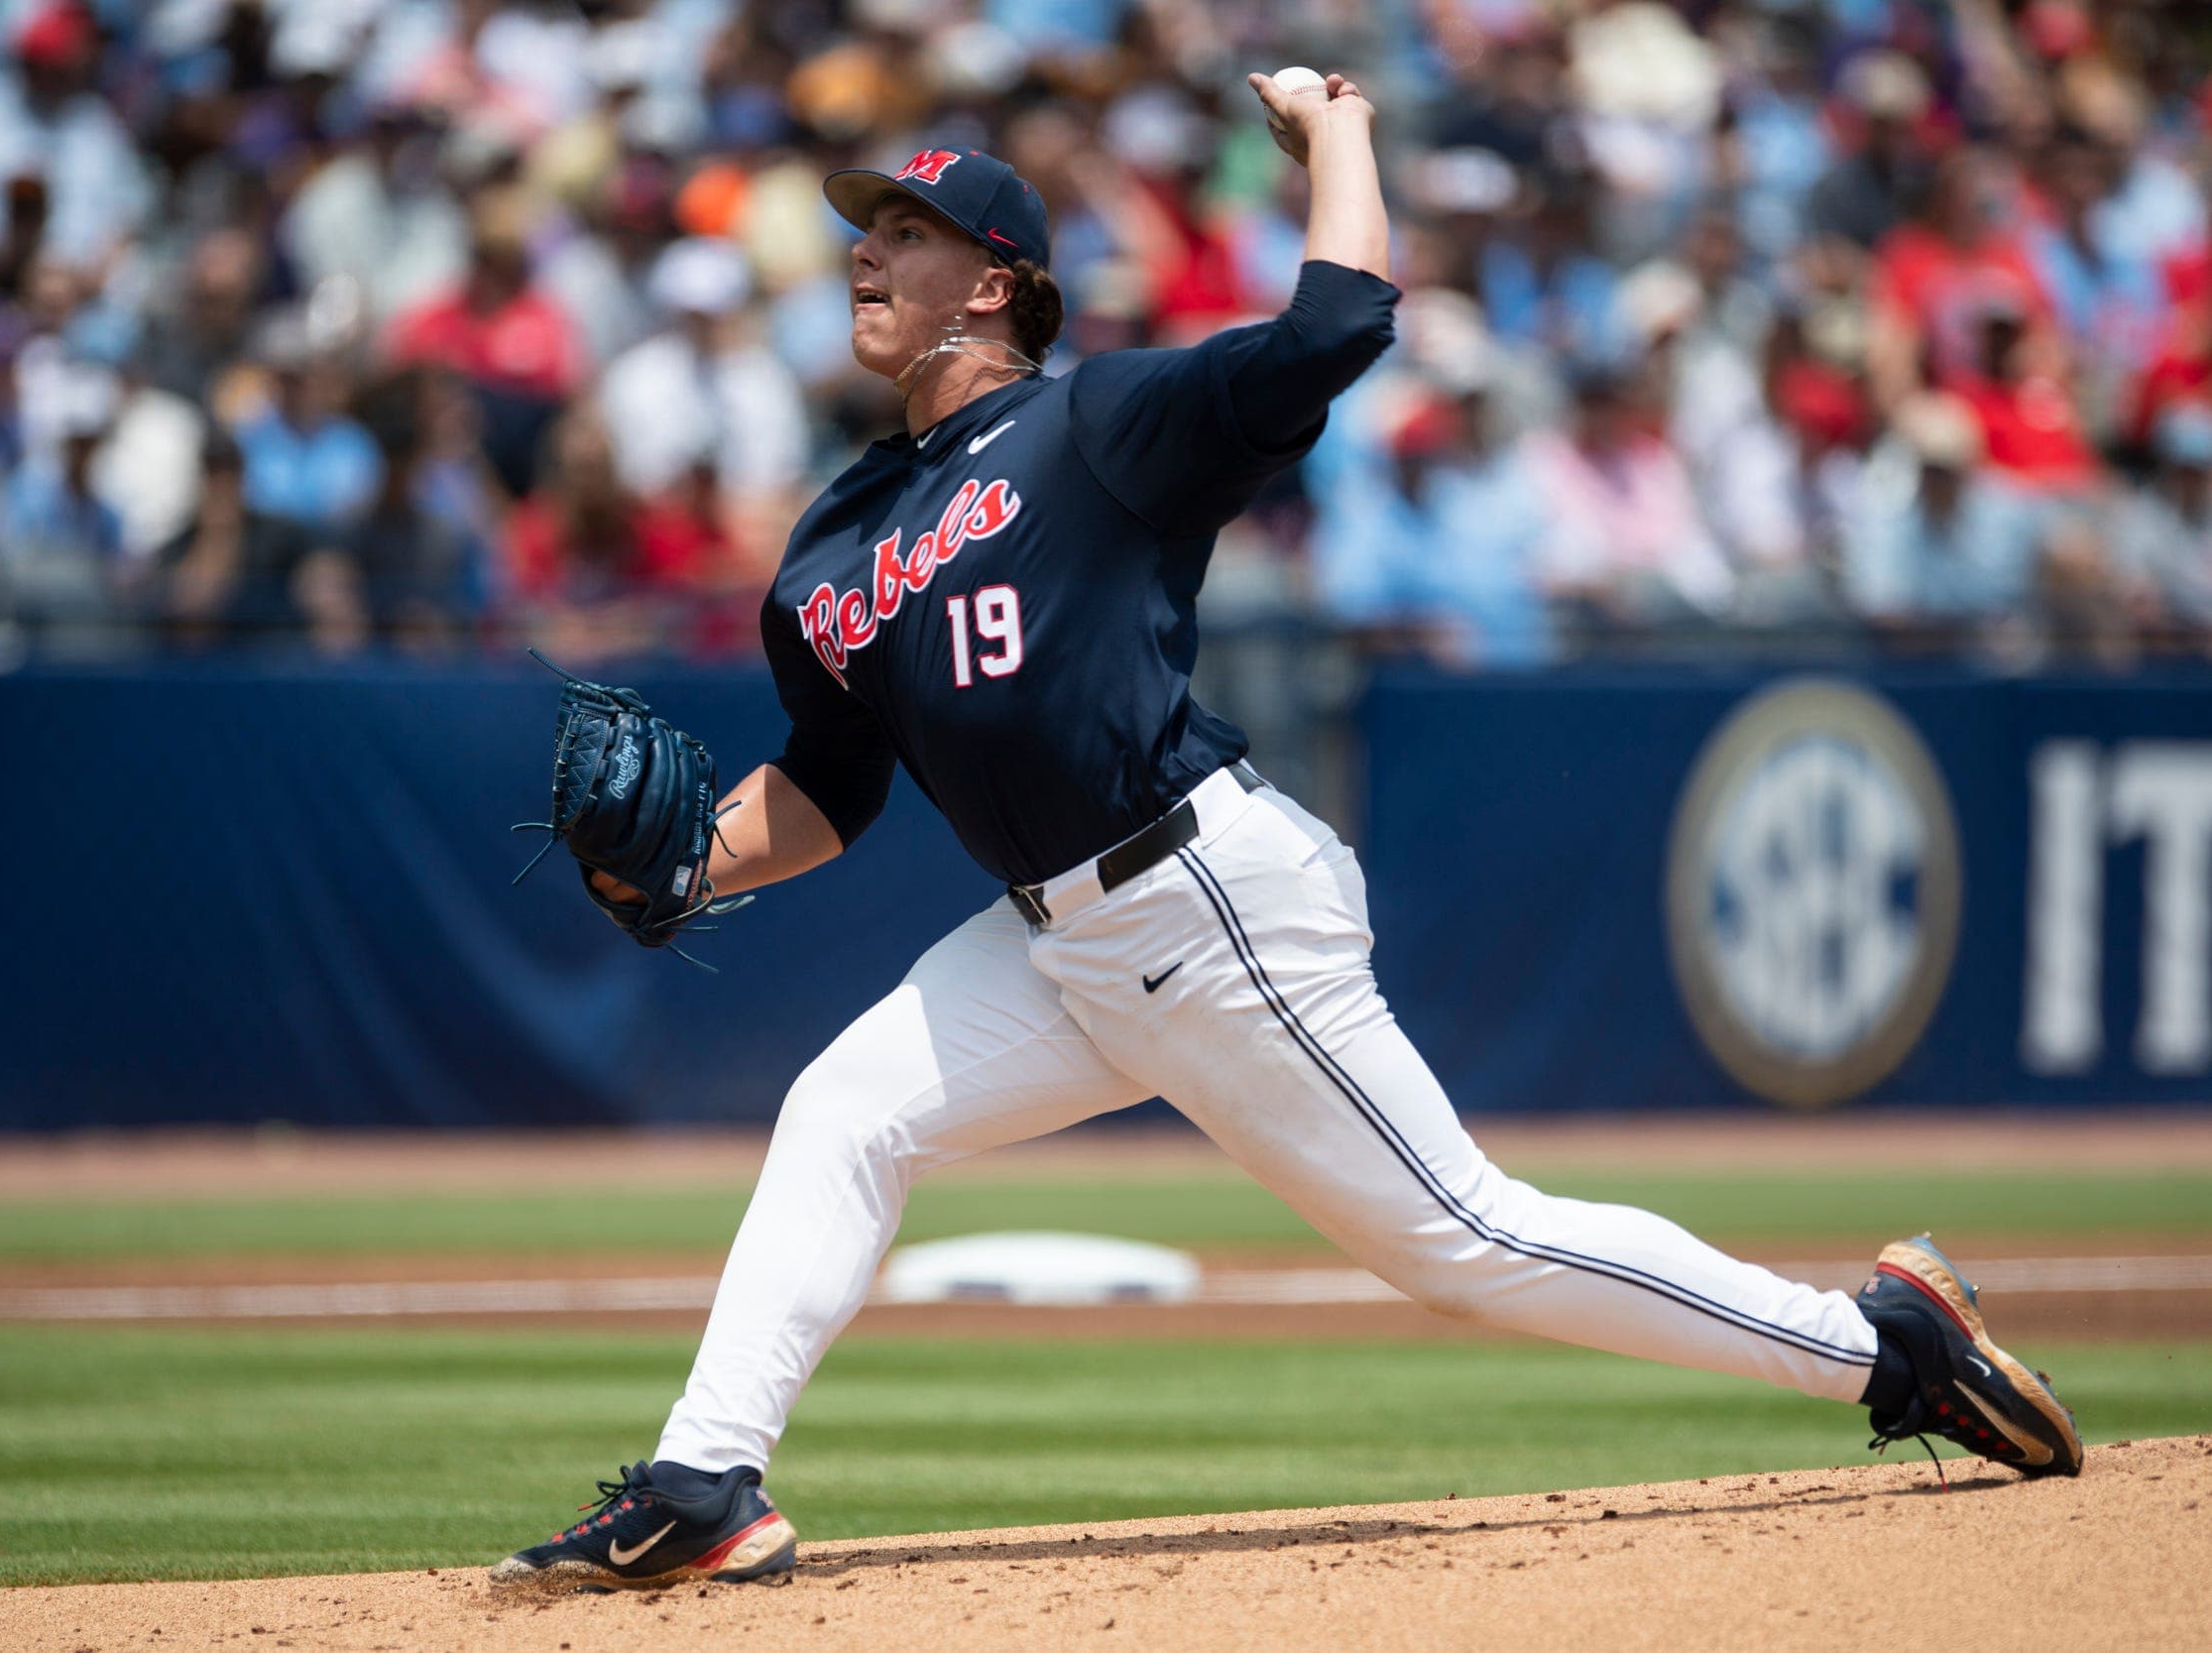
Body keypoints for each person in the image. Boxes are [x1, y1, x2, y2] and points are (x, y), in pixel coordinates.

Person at [491, 73, 2084, 1594]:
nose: (865, 250)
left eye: (903, 232)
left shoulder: (1101, 423)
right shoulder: (838, 532)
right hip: (1062, 944)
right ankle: (706, 1485)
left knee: (1461, 1241)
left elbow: (1341, 320)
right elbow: (833, 785)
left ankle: (1888, 1345)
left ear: (995, 283)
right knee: (844, 1113)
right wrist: (695, 858)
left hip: (1204, 899)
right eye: (869, 229)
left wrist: (1337, 126)